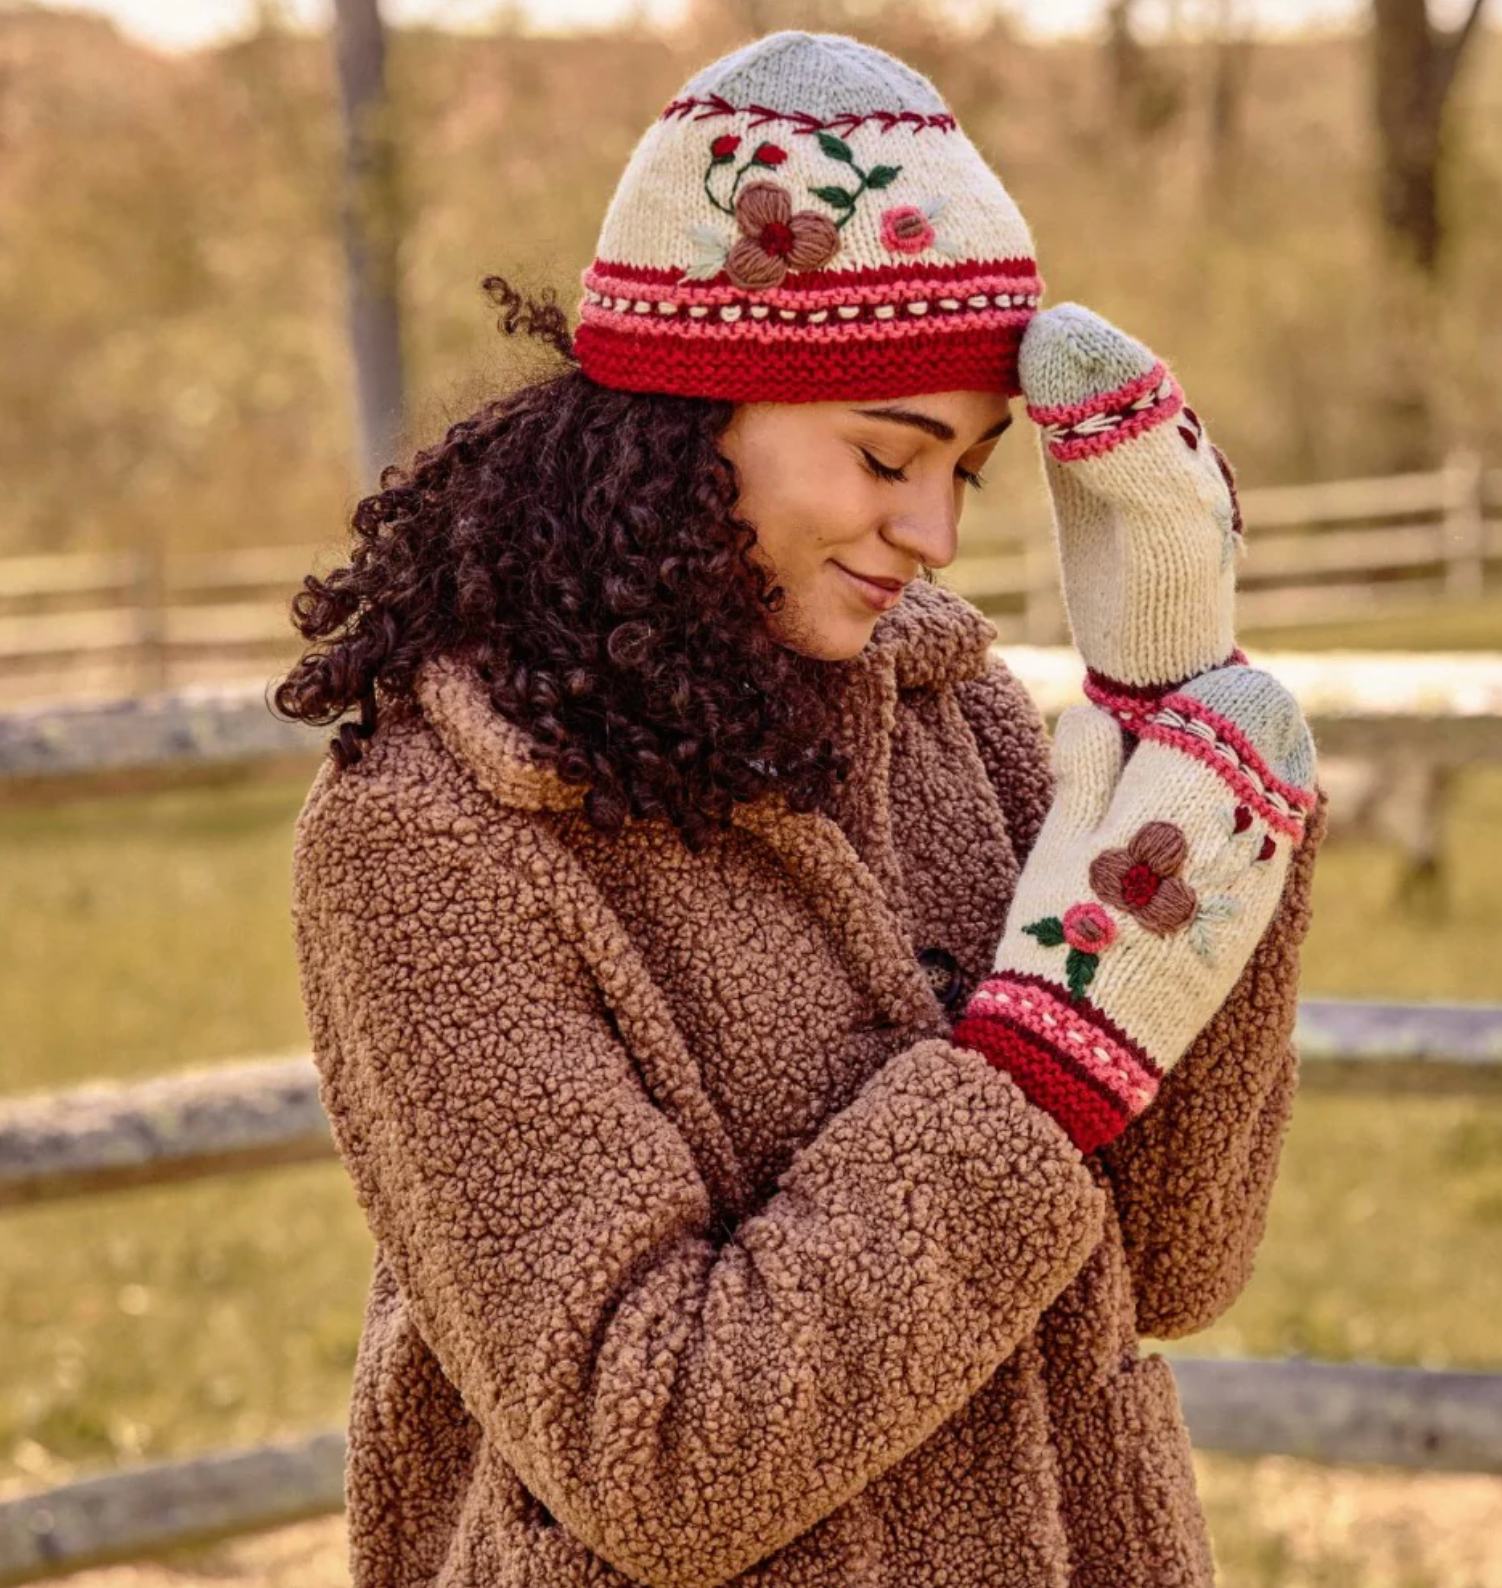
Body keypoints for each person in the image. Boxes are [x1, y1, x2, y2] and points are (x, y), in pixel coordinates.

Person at [280, 28, 1328, 1588]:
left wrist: (1175, 755)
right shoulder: (432, 835)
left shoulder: (955, 721)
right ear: (692, 416)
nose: (936, 531)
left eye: (969, 466)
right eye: (887, 452)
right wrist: (1037, 1071)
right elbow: (657, 1461)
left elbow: (1170, 1268)